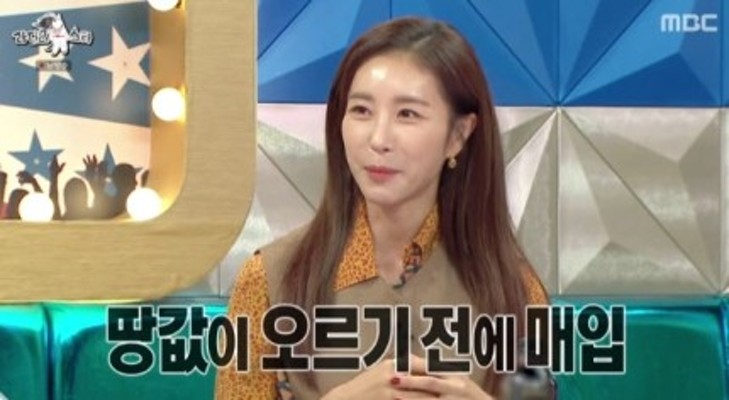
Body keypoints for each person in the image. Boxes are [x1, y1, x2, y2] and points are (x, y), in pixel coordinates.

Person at [217, 17, 549, 400]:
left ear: (458, 135)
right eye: (361, 110)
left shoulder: (516, 291)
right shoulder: (269, 280)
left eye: (407, 114)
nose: (378, 138)